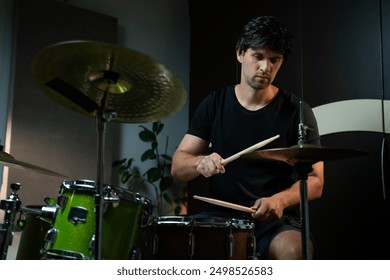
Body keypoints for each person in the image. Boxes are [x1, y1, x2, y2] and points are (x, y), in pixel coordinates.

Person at [171, 15, 324, 260]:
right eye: (258, 56)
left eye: (274, 59)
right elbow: (178, 167)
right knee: (172, 246)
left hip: (274, 221)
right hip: (219, 216)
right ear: (240, 53)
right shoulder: (214, 103)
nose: (266, 67)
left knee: (295, 250)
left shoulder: (297, 110)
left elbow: (316, 181)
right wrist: (200, 162)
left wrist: (280, 200)